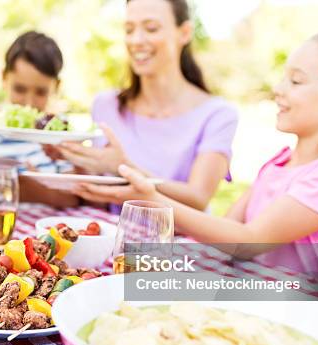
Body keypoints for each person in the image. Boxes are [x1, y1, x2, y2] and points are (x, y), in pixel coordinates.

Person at [76, 28, 318, 290]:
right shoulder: (280, 163)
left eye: (296, 81)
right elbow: (222, 235)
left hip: (311, 321)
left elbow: (246, 242)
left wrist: (153, 199)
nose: (278, 89)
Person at [54, 0, 238, 211]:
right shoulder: (105, 105)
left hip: (176, 241)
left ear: (184, 33)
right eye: (129, 29)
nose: (136, 40)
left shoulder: (217, 115)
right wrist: (74, 159)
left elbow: (198, 199)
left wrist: (123, 168)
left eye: (151, 28)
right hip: (110, 235)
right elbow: (98, 199)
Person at [0, 31, 79, 207]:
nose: (28, 104)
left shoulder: (61, 139)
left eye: (41, 92)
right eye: (19, 89)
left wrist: (33, 188)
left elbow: (72, 199)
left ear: (56, 86)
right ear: (4, 78)